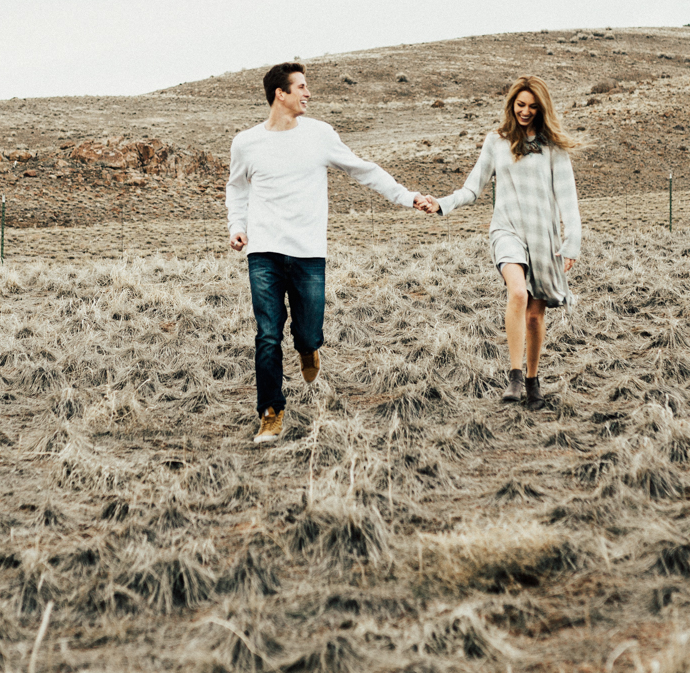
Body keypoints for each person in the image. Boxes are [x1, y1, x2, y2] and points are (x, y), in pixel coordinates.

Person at [227, 62, 438, 444]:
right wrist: (237, 228)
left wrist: (408, 197)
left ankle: (308, 349)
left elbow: (364, 170)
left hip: (308, 251)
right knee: (267, 334)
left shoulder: (320, 135)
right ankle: (270, 413)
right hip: (264, 251)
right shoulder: (246, 142)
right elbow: (237, 189)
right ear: (281, 93)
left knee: (307, 333)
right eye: (302, 87)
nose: (309, 94)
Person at [432, 75, 581, 408]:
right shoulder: (496, 141)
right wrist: (443, 203)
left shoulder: (553, 147)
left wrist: (571, 243)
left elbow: (567, 198)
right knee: (517, 292)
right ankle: (514, 377)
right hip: (507, 229)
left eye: (532, 106)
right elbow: (473, 188)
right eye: (520, 105)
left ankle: (532, 380)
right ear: (511, 105)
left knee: (534, 316)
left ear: (541, 108)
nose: (525, 112)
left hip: (543, 235)